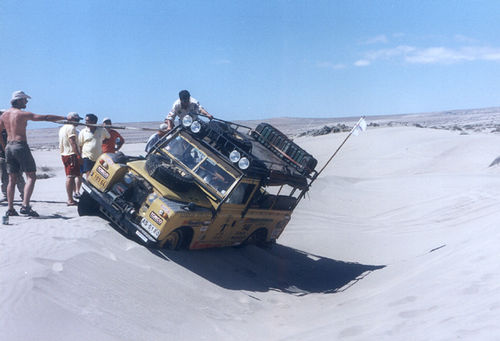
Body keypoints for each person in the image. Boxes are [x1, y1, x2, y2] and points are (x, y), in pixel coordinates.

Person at [0, 91, 66, 217]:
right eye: (25, 100)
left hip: (9, 146)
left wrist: (5, 147)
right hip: (20, 145)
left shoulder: (4, 116)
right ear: (18, 100)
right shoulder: (22, 114)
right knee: (31, 176)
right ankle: (25, 205)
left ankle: (10, 208)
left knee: (11, 179)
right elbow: (45, 117)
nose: (26, 102)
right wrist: (64, 118)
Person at [0, 110, 25, 202]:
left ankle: (24, 194)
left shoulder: (11, 129)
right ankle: (6, 195)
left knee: (18, 176)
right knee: (4, 177)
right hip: (3, 156)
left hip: (13, 156)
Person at [59, 112, 83, 206]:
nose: (78, 122)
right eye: (76, 120)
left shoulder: (62, 128)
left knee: (72, 176)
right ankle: (70, 199)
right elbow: (72, 142)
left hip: (65, 154)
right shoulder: (71, 128)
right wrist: (78, 156)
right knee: (70, 176)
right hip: (71, 155)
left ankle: (71, 198)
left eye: (79, 120)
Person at [78, 113, 110, 178]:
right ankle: (89, 186)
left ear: (94, 121)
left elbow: (108, 137)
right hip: (87, 156)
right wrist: (79, 157)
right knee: (88, 173)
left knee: (98, 174)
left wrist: (102, 142)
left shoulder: (101, 130)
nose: (85, 122)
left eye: (87, 121)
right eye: (85, 121)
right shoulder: (83, 131)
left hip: (98, 157)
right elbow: (80, 145)